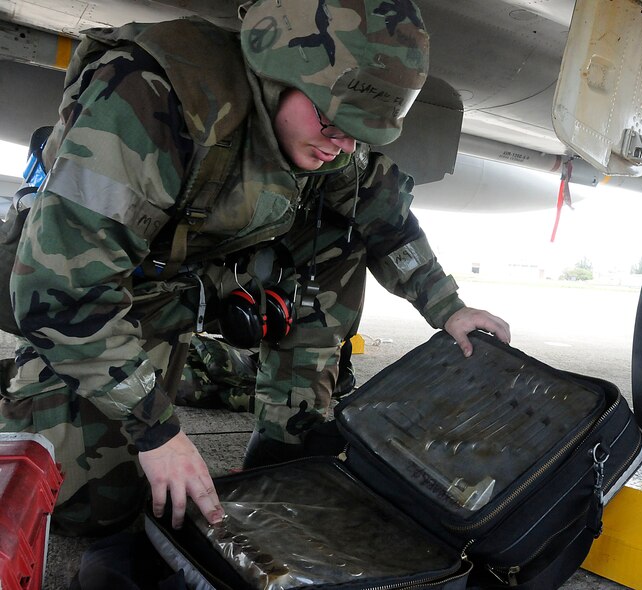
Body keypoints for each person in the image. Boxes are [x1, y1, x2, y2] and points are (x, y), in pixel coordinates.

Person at [0, 0, 510, 537]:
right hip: (94, 294)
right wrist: (156, 430)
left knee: (340, 229)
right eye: (334, 123)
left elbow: (384, 217)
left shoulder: (330, 135)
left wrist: (448, 307)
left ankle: (288, 430)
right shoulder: (152, 96)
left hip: (200, 276)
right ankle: (44, 382)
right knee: (90, 509)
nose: (343, 146)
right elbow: (62, 289)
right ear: (276, 73)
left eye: (359, 133)